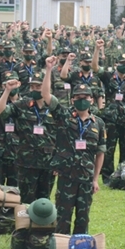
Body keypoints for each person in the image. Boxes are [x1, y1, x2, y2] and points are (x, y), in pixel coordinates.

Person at [0, 57, 58, 204]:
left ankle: (41, 227)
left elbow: (62, 136)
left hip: (48, 162)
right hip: (26, 161)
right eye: (33, 87)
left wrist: (58, 161)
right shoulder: (22, 104)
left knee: (44, 200)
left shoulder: (54, 108)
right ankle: (25, 226)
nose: (35, 89)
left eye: (39, 86)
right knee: (26, 200)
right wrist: (7, 91)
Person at [50, 83, 106, 235]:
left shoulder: (98, 124)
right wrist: (48, 70)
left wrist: (95, 179)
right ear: (72, 99)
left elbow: (100, 153)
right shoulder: (64, 117)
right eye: (78, 97)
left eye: (85, 97)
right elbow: (47, 97)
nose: (82, 100)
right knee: (63, 216)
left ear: (92, 100)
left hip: (86, 177)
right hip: (66, 175)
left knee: (83, 218)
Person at [96, 51, 125, 184]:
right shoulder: (108, 78)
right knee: (109, 148)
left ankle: (123, 173)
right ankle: (107, 177)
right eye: (122, 63)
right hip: (110, 120)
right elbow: (95, 68)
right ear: (116, 64)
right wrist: (98, 49)